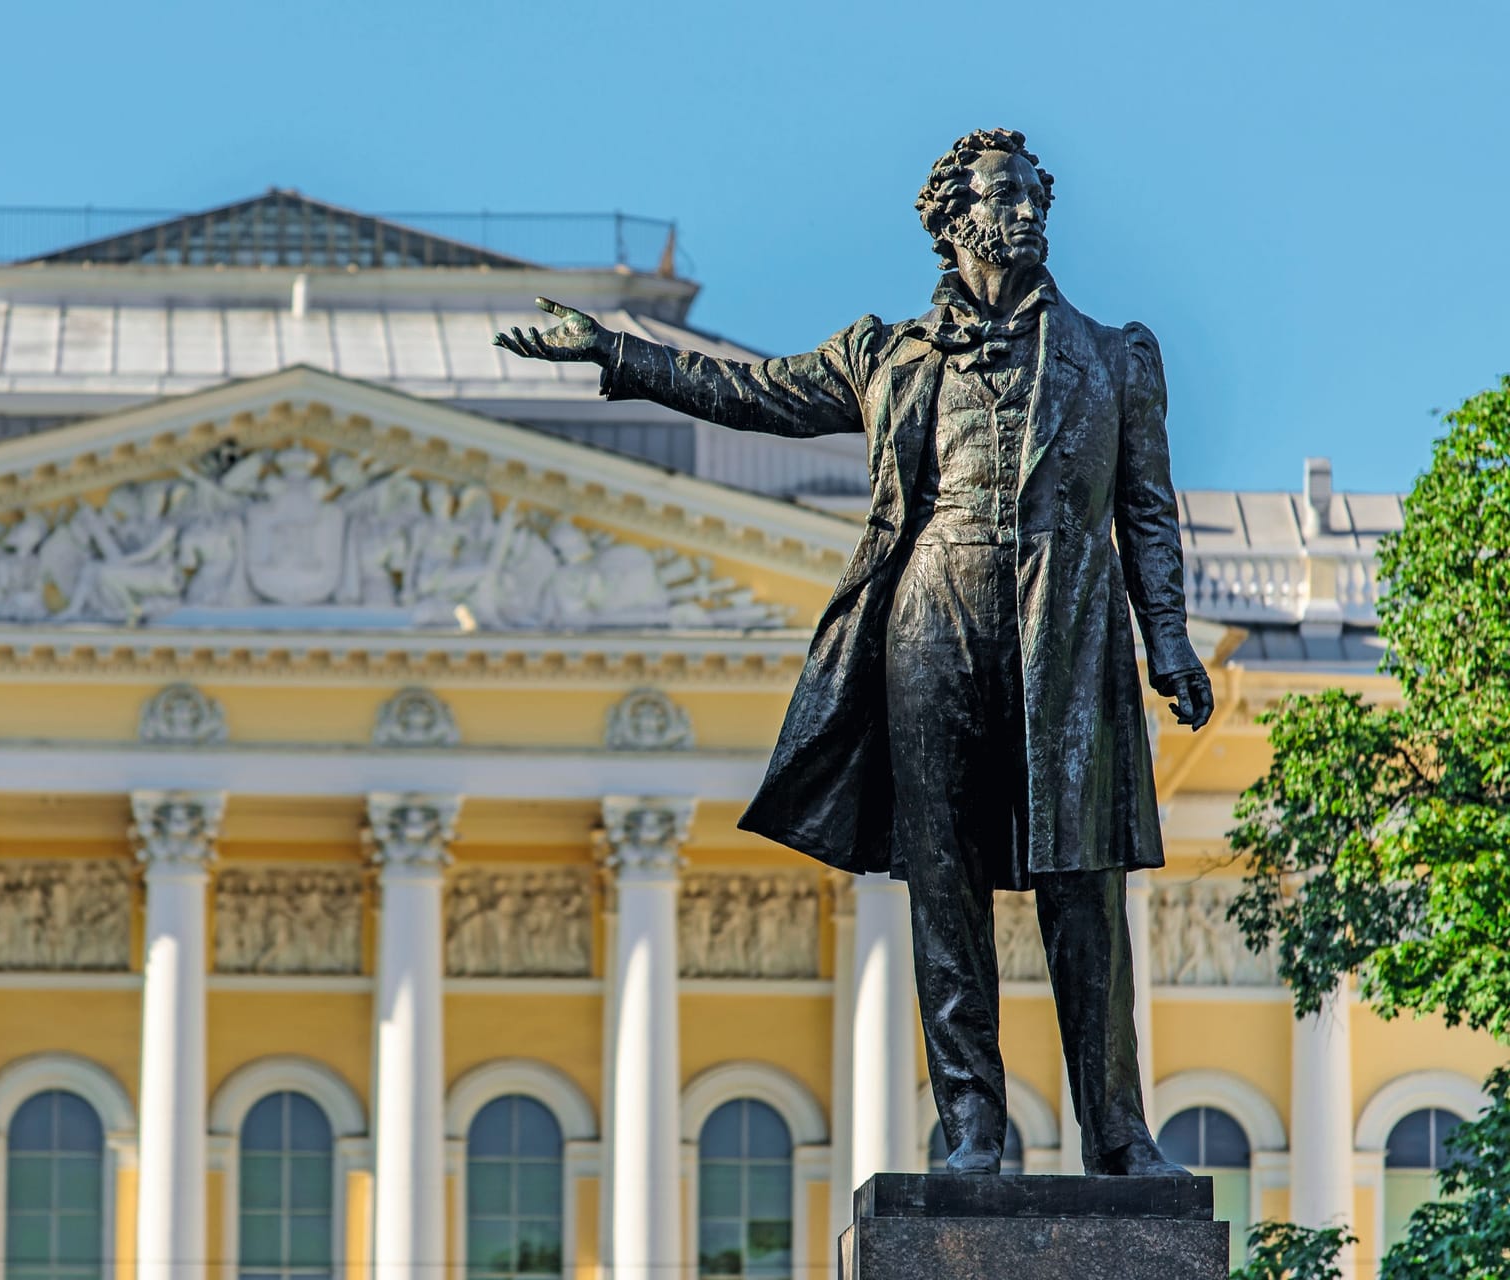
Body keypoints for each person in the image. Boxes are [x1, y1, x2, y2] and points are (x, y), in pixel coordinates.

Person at [495, 128, 1214, 1177]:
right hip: (932, 624)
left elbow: (1146, 510)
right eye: (1004, 193)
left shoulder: (1115, 356)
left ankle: (1118, 1130)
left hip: (1068, 628)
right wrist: (616, 351)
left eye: (1032, 193)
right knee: (945, 883)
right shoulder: (885, 356)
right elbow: (748, 392)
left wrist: (1172, 641)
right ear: (954, 217)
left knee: (1084, 887)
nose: (1025, 210)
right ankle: (973, 1127)